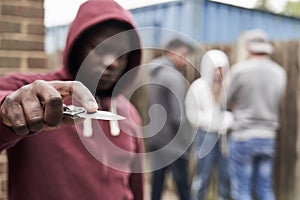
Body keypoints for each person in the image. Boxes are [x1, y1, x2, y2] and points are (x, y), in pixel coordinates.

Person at [0, 0, 144, 199]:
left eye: (121, 54)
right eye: (99, 48)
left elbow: (136, 186)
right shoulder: (33, 92)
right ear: (76, 47)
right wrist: (8, 112)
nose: (111, 62)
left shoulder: (129, 114)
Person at [221, 29, 287, 200]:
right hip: (268, 136)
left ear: (248, 48)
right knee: (265, 188)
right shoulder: (279, 72)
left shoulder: (240, 71)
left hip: (244, 136)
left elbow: (225, 100)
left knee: (242, 190)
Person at [145, 38, 194, 200]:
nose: (187, 60)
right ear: (172, 53)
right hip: (173, 142)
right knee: (183, 187)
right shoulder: (173, 76)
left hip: (156, 138)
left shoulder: (157, 72)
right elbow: (177, 115)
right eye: (184, 55)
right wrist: (187, 140)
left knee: (157, 186)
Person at [185, 49, 233, 200]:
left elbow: (232, 109)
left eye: (221, 69)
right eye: (216, 69)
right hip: (205, 136)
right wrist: (210, 120)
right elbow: (191, 114)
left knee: (225, 176)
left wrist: (228, 119)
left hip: (224, 137)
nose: (219, 73)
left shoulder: (228, 87)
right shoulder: (198, 87)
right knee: (202, 176)